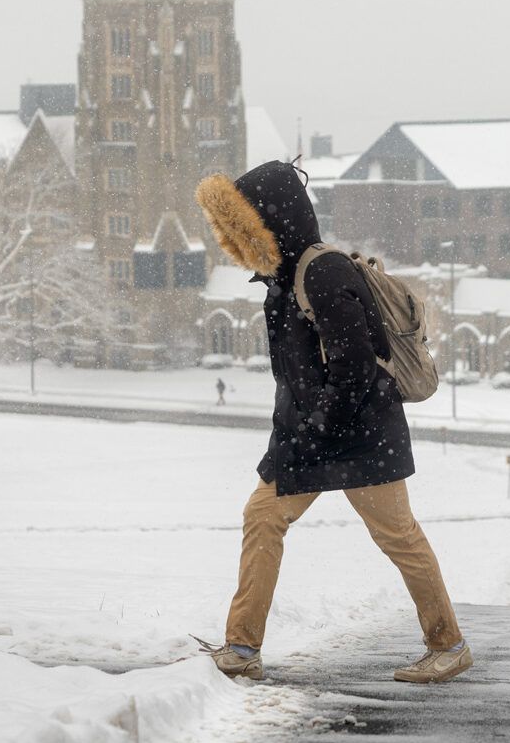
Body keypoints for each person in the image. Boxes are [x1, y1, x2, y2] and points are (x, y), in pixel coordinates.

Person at [190, 160, 470, 684]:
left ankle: (449, 644)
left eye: (243, 227)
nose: (237, 240)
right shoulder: (281, 277)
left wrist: (320, 427)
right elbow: (296, 376)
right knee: (262, 518)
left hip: (362, 436)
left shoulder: (324, 272)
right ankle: (241, 647)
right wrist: (291, 436)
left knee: (399, 536)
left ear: (272, 221)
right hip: (309, 437)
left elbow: (356, 365)